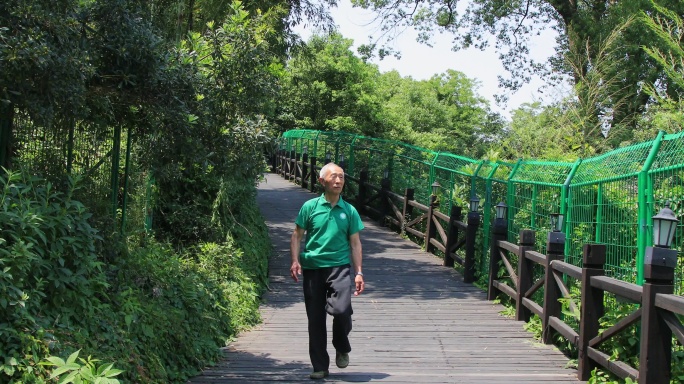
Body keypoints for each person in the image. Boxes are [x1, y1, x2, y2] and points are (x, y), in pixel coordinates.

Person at [290, 162, 365, 380]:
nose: (339, 181)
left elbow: (356, 243)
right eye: (334, 177)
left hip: (339, 267)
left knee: (341, 311)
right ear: (322, 181)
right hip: (313, 268)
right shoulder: (310, 207)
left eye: (341, 177)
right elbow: (297, 235)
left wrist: (359, 272)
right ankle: (320, 366)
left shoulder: (349, 211)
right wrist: (295, 260)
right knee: (315, 319)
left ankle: (341, 345)